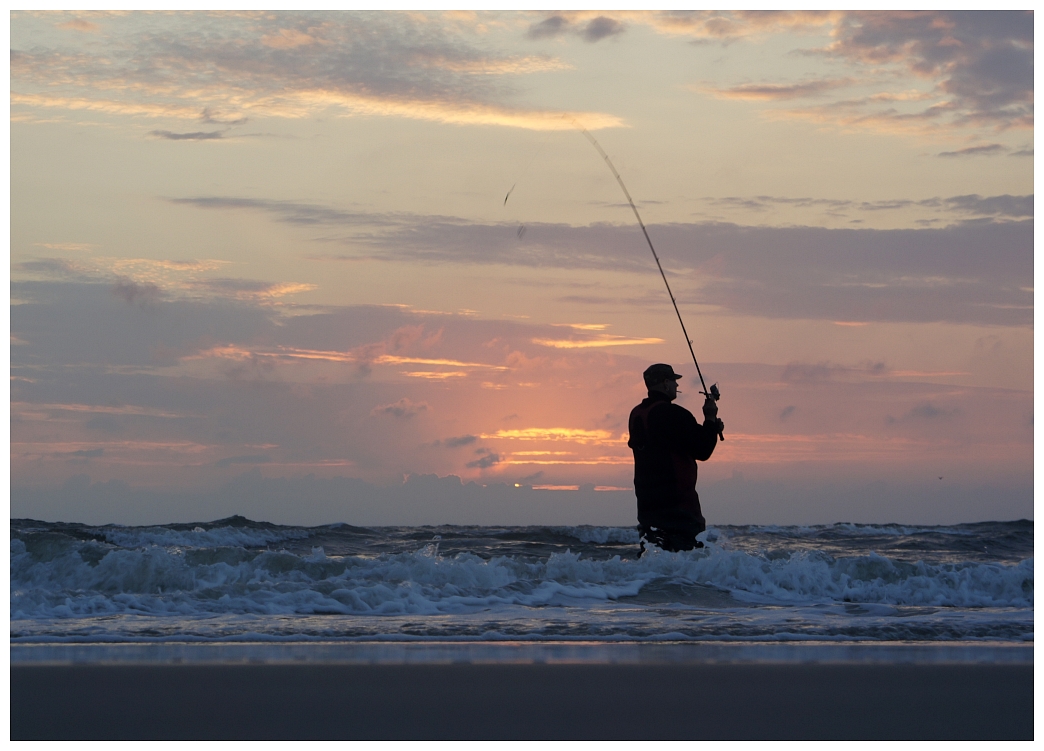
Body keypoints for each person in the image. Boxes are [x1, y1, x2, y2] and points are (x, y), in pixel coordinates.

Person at [628, 363, 723, 554]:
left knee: (653, 562)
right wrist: (710, 419)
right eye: (673, 381)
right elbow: (703, 450)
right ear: (665, 383)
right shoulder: (675, 414)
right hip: (679, 508)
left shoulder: (637, 415)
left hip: (647, 507)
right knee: (687, 567)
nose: (676, 386)